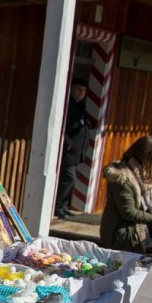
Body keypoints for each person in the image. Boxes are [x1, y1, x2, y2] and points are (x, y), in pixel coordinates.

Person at [99, 135, 152, 253]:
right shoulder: (122, 177)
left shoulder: (146, 172)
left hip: (137, 226)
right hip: (122, 231)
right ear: (145, 155)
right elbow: (129, 212)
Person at [55, 78, 91, 218]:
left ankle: (63, 206)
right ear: (72, 89)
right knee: (69, 178)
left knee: (68, 179)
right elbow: (61, 127)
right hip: (68, 152)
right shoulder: (68, 106)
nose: (81, 93)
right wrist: (68, 143)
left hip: (76, 153)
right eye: (78, 89)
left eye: (83, 91)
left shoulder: (80, 106)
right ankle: (58, 207)